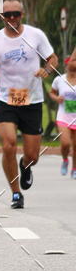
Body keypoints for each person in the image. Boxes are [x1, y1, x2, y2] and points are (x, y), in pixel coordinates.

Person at [0, 0, 57, 209]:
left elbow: (53, 59)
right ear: (1, 16)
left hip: (32, 100)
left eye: (16, 14)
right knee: (8, 145)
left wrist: (46, 70)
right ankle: (16, 193)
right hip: (6, 99)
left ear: (22, 14)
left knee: (33, 155)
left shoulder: (36, 35)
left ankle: (25, 165)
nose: (12, 18)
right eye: (8, 14)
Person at [49, 50, 76, 178]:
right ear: (67, 65)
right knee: (65, 143)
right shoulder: (59, 79)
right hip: (63, 116)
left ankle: (74, 169)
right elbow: (51, 93)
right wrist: (56, 98)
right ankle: (65, 160)